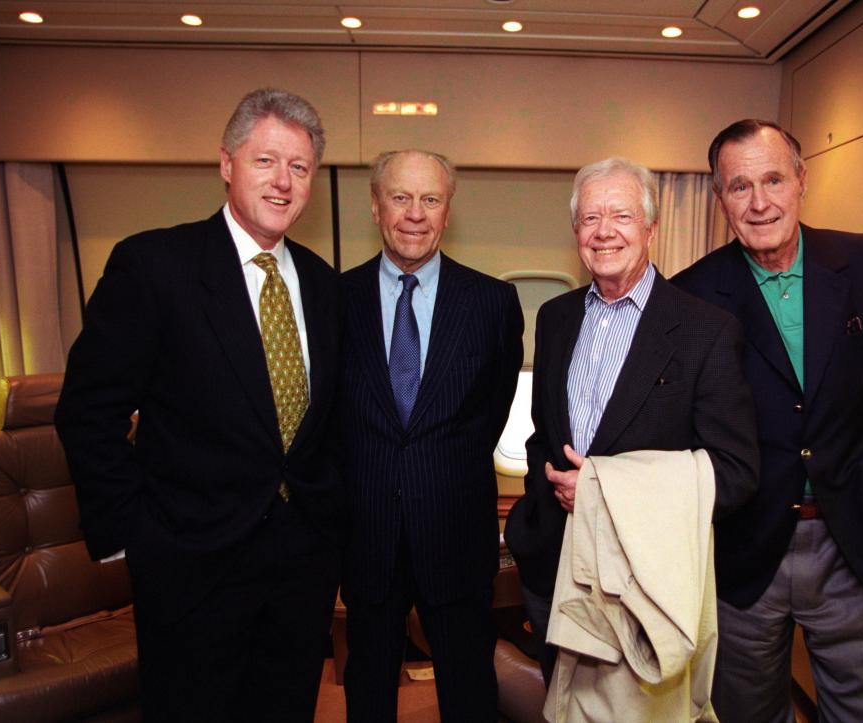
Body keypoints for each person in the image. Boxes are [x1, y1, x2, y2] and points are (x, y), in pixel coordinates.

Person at [55, 88, 343, 722]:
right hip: (191, 570)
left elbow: (330, 427)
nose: (283, 181)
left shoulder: (324, 285)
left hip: (300, 573)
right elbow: (87, 411)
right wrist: (134, 537)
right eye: (267, 160)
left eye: (300, 168)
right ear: (226, 163)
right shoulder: (156, 265)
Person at [672, 119, 863, 722]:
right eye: (739, 186)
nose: (760, 201)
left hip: (860, 544)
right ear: (720, 199)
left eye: (774, 179)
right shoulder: (691, 295)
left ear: (802, 180)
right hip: (742, 556)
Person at [504, 156, 760, 687]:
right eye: (590, 218)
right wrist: (535, 509)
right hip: (554, 562)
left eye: (620, 216)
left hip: (645, 579)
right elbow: (543, 436)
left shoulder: (704, 331)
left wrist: (605, 493)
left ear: (651, 227)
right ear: (575, 230)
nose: (604, 233)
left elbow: (734, 473)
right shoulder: (556, 318)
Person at [336, 149, 523, 721]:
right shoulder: (333, 301)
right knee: (368, 691)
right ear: (374, 206)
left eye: (430, 199)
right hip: (367, 537)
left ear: (447, 211)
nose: (415, 213)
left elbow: (490, 411)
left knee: (469, 693)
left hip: (456, 534)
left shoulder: (492, 302)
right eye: (400, 197)